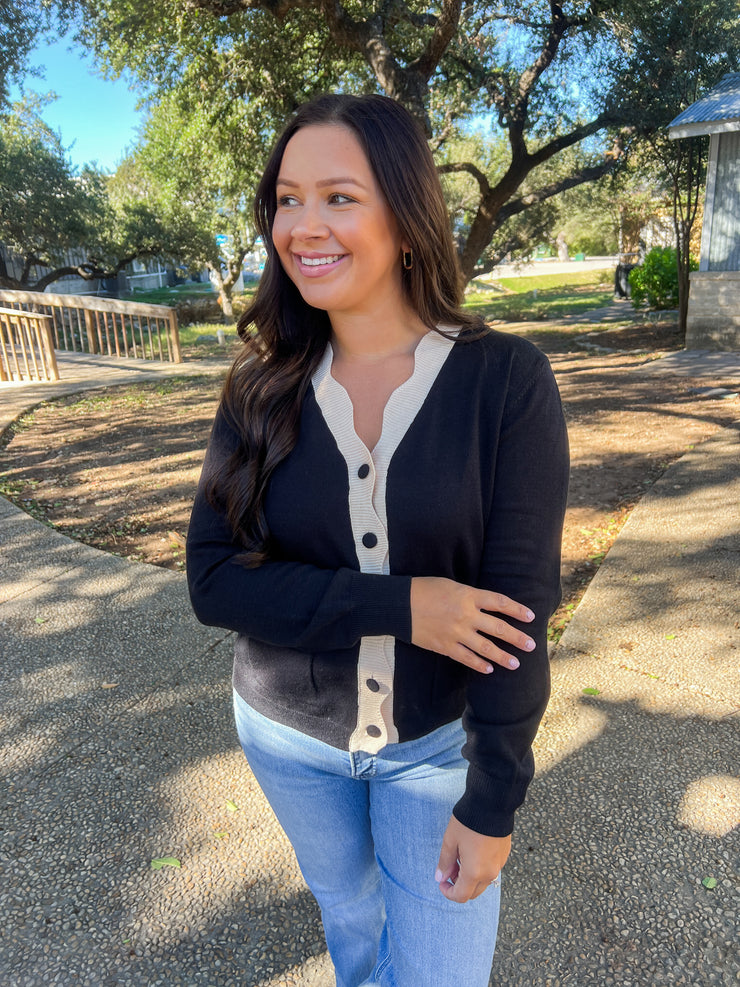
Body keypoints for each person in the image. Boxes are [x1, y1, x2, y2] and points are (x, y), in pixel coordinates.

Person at [186, 93, 569, 987]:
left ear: (405, 215)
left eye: (338, 197)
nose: (302, 225)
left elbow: (518, 617)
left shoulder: (505, 381)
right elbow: (214, 580)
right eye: (286, 198)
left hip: (438, 748)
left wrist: (495, 799)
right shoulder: (259, 387)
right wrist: (405, 606)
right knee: (351, 918)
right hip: (287, 739)